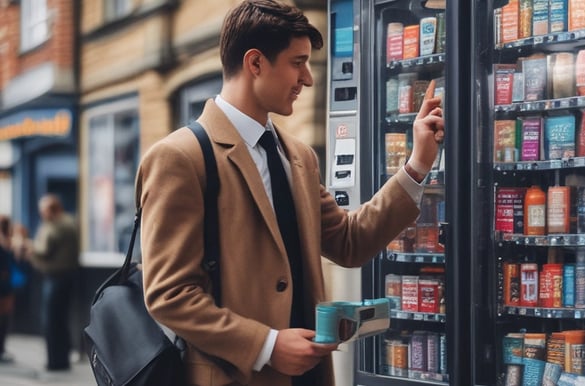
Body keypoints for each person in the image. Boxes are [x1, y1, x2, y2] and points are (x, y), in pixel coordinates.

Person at [134, 1, 444, 385]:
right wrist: (266, 345)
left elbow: (349, 241)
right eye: (297, 63)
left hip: (309, 375)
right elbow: (170, 294)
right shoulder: (179, 157)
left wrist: (417, 165)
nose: (308, 79)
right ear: (255, 63)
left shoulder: (298, 156)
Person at [27, 194, 79, 371]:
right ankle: (60, 360)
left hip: (57, 278)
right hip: (64, 277)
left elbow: (44, 248)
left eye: (44, 211)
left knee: (52, 321)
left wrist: (30, 246)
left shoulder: (58, 224)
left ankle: (55, 362)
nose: (42, 215)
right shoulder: (68, 222)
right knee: (59, 320)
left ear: (53, 209)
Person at [0, 215, 16, 363]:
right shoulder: (6, 241)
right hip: (4, 283)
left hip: (6, 283)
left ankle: (2, 348)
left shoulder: (9, 240)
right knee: (3, 318)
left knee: (5, 317)